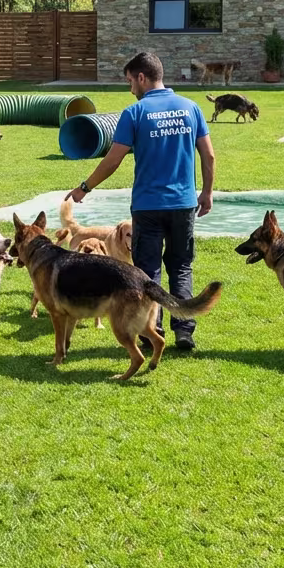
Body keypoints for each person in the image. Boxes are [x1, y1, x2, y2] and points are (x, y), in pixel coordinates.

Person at [65, 52, 215, 351]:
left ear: (142, 77)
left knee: (148, 271)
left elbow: (113, 160)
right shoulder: (191, 107)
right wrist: (207, 192)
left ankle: (152, 331)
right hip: (183, 203)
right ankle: (184, 332)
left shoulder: (135, 113)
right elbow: (208, 155)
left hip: (148, 206)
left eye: (130, 81)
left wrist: (85, 187)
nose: (130, 88)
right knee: (181, 267)